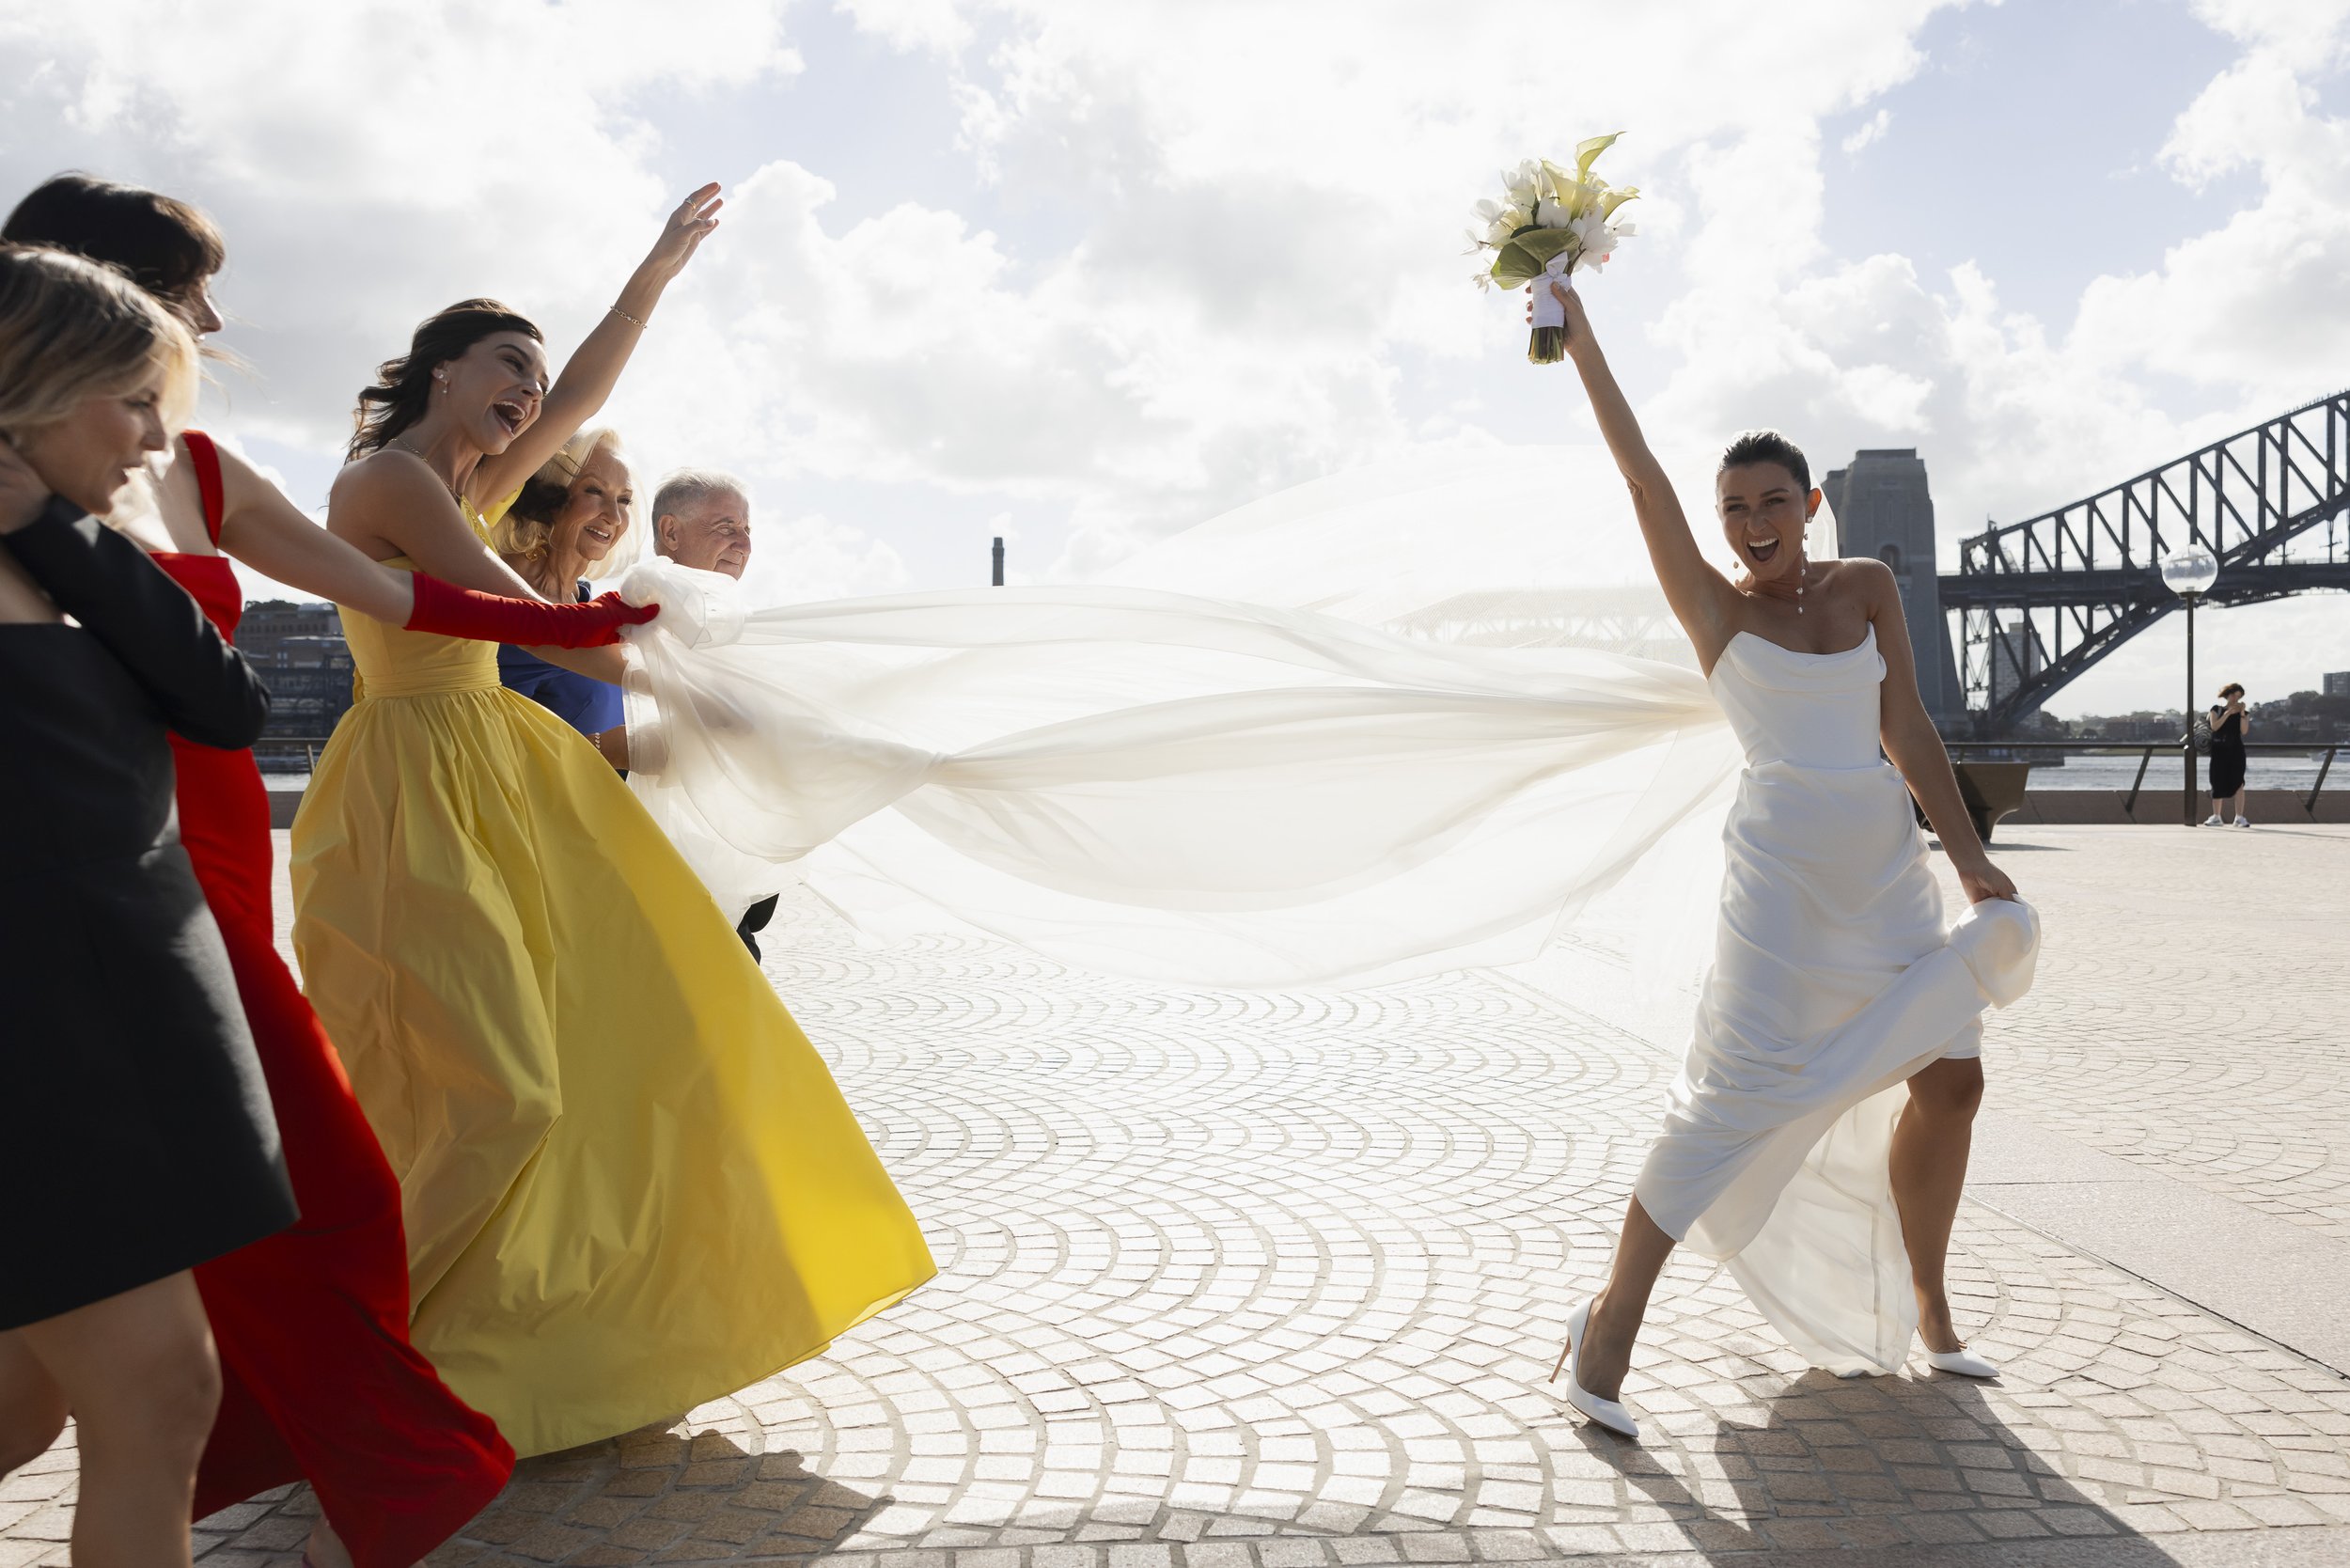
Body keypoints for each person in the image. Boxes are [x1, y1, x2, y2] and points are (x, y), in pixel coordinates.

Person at [7, 173, 668, 1565]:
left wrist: (584, 622)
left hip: (169, 879)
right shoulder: (151, 478)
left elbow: (263, 673)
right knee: (149, 1348)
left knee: (84, 1375)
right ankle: (373, 1445)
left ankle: (346, 1434)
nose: (206, 327)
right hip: (83, 903)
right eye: (181, 298)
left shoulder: (173, 472)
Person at [290, 185, 936, 1457]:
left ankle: (490, 1344)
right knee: (497, 1093)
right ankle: (361, 1343)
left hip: (493, 774)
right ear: (441, 369)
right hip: (415, 781)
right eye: (507, 367)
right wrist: (690, 673)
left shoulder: (465, 484)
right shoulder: (391, 482)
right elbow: (521, 619)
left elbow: (584, 393)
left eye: (533, 379)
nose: (531, 394)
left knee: (594, 1050)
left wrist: (655, 271)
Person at [1533, 278, 2036, 1439]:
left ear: (1811, 506)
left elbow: (1907, 729)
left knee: (1952, 1083)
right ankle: (1607, 1326)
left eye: (1771, 502)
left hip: (1885, 879)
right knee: (1731, 1103)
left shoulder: (1866, 590)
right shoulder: (1715, 610)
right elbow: (1641, 479)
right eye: (1733, 509)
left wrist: (1966, 859)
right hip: (1778, 893)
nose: (1752, 524)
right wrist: (1582, 338)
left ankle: (1930, 1309)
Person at [0, 243, 293, 1568]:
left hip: (110, 1037)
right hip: (42, 1059)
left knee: (19, 1409)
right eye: (133, 401)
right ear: (31, 386)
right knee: (162, 1394)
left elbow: (225, 703)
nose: (156, 440)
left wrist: (50, 526)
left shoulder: (66, 553)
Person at [643, 465, 781, 954]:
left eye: (747, 529)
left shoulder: (740, 627)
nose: (743, 543)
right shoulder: (638, 619)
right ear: (670, 532)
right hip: (665, 875)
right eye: (726, 527)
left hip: (739, 885)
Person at [494, 426, 634, 767]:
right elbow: (480, 745)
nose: (614, 517)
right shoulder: (499, 593)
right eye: (595, 490)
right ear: (552, 495)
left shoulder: (589, 604)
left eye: (624, 500)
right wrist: (608, 749)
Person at [2206, 682, 2249, 827]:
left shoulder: (2244, 714)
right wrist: (2227, 713)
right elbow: (2215, 726)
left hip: (2236, 751)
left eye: (2238, 696)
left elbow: (2244, 731)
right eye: (2233, 695)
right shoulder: (2216, 709)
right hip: (2219, 750)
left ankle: (2239, 817)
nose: (2235, 699)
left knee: (2239, 782)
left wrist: (2241, 713)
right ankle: (2216, 816)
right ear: (2227, 695)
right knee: (2217, 781)